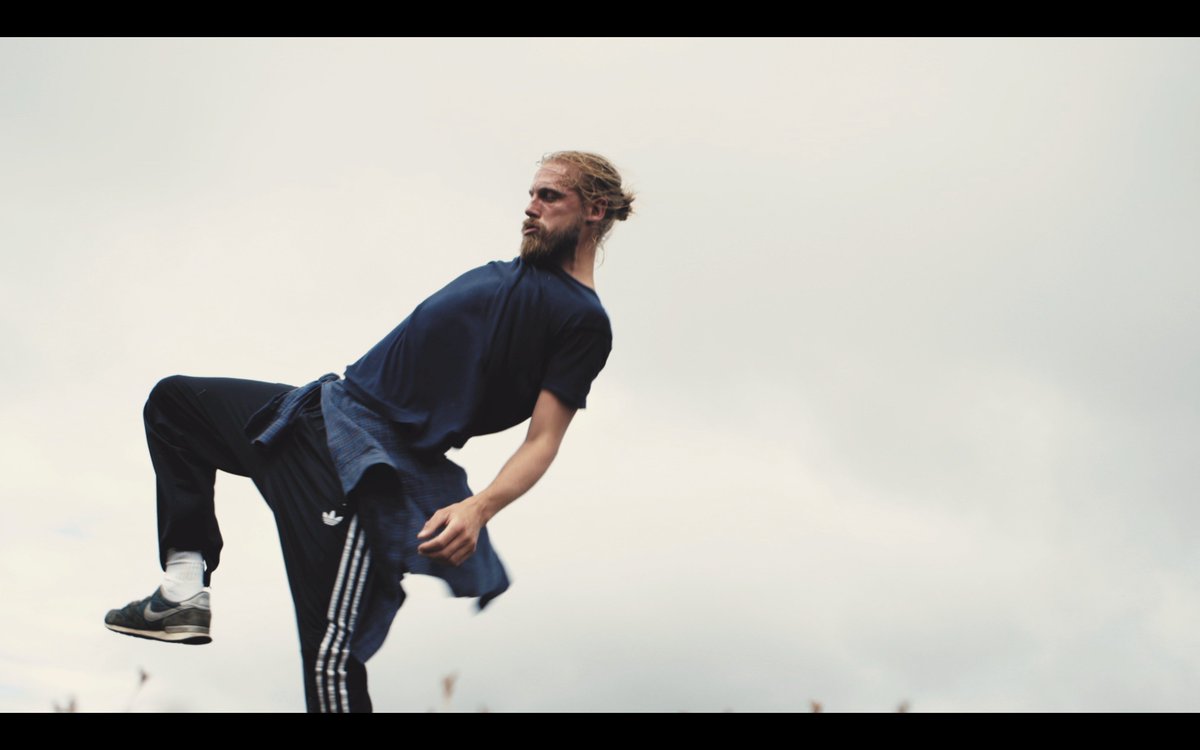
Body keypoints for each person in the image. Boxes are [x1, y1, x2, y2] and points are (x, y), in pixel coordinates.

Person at [103, 151, 635, 712]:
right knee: (176, 405)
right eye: (530, 194)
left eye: (549, 196)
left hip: (358, 467)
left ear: (594, 209)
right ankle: (183, 588)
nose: (530, 207)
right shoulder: (517, 274)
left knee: (330, 662)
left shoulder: (581, 319)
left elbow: (543, 440)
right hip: (317, 413)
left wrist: (480, 507)